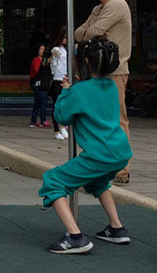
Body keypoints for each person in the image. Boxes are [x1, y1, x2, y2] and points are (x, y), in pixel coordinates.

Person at [38, 36, 132, 254]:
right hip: (120, 151)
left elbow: (62, 115)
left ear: (87, 62)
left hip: (100, 154)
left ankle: (75, 236)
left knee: (53, 181)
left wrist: (66, 91)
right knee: (98, 183)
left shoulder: (79, 91)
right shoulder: (110, 86)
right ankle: (116, 228)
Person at [74, 0, 133, 184]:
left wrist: (89, 33)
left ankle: (123, 168)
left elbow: (90, 32)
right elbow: (79, 33)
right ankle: (104, 163)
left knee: (117, 119)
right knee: (98, 119)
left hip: (114, 71)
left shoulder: (117, 5)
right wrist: (89, 33)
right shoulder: (99, 9)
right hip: (97, 70)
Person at [44, 26, 69, 141]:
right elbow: (53, 54)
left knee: (64, 105)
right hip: (57, 80)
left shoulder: (64, 50)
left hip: (65, 80)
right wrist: (54, 53)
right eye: (64, 37)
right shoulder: (56, 49)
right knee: (56, 105)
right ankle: (57, 130)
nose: (66, 39)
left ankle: (63, 125)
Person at [28, 42, 49, 128]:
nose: (42, 51)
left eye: (43, 49)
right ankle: (43, 120)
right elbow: (37, 72)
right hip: (37, 82)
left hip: (42, 82)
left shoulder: (45, 60)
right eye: (40, 49)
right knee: (42, 100)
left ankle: (33, 121)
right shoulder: (36, 60)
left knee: (38, 102)